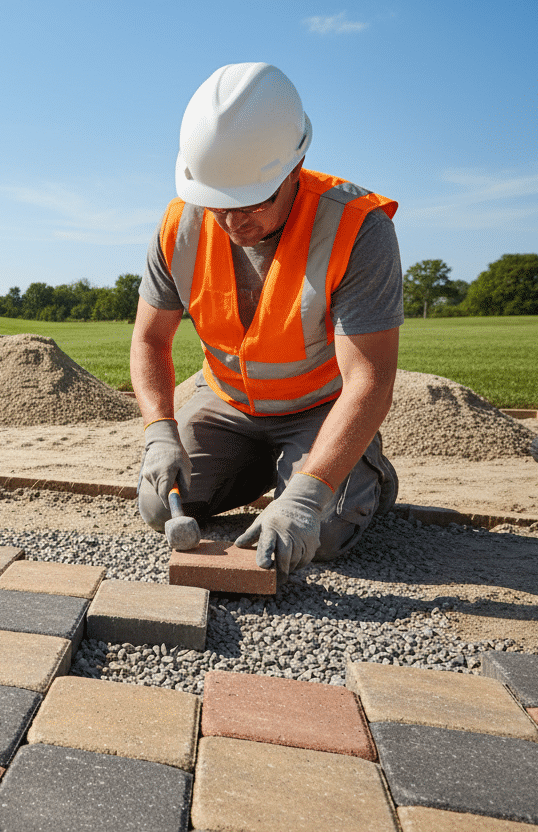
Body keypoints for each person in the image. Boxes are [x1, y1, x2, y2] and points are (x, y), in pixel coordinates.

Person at [131, 62, 402, 576]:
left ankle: (358, 469)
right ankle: (266, 464)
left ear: (294, 169)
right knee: (158, 502)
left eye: (253, 203)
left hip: (320, 407)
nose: (234, 223)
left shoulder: (356, 228)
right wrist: (159, 430)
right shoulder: (177, 228)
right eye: (218, 206)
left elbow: (370, 380)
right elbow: (149, 341)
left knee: (318, 533)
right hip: (229, 403)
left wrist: (307, 494)